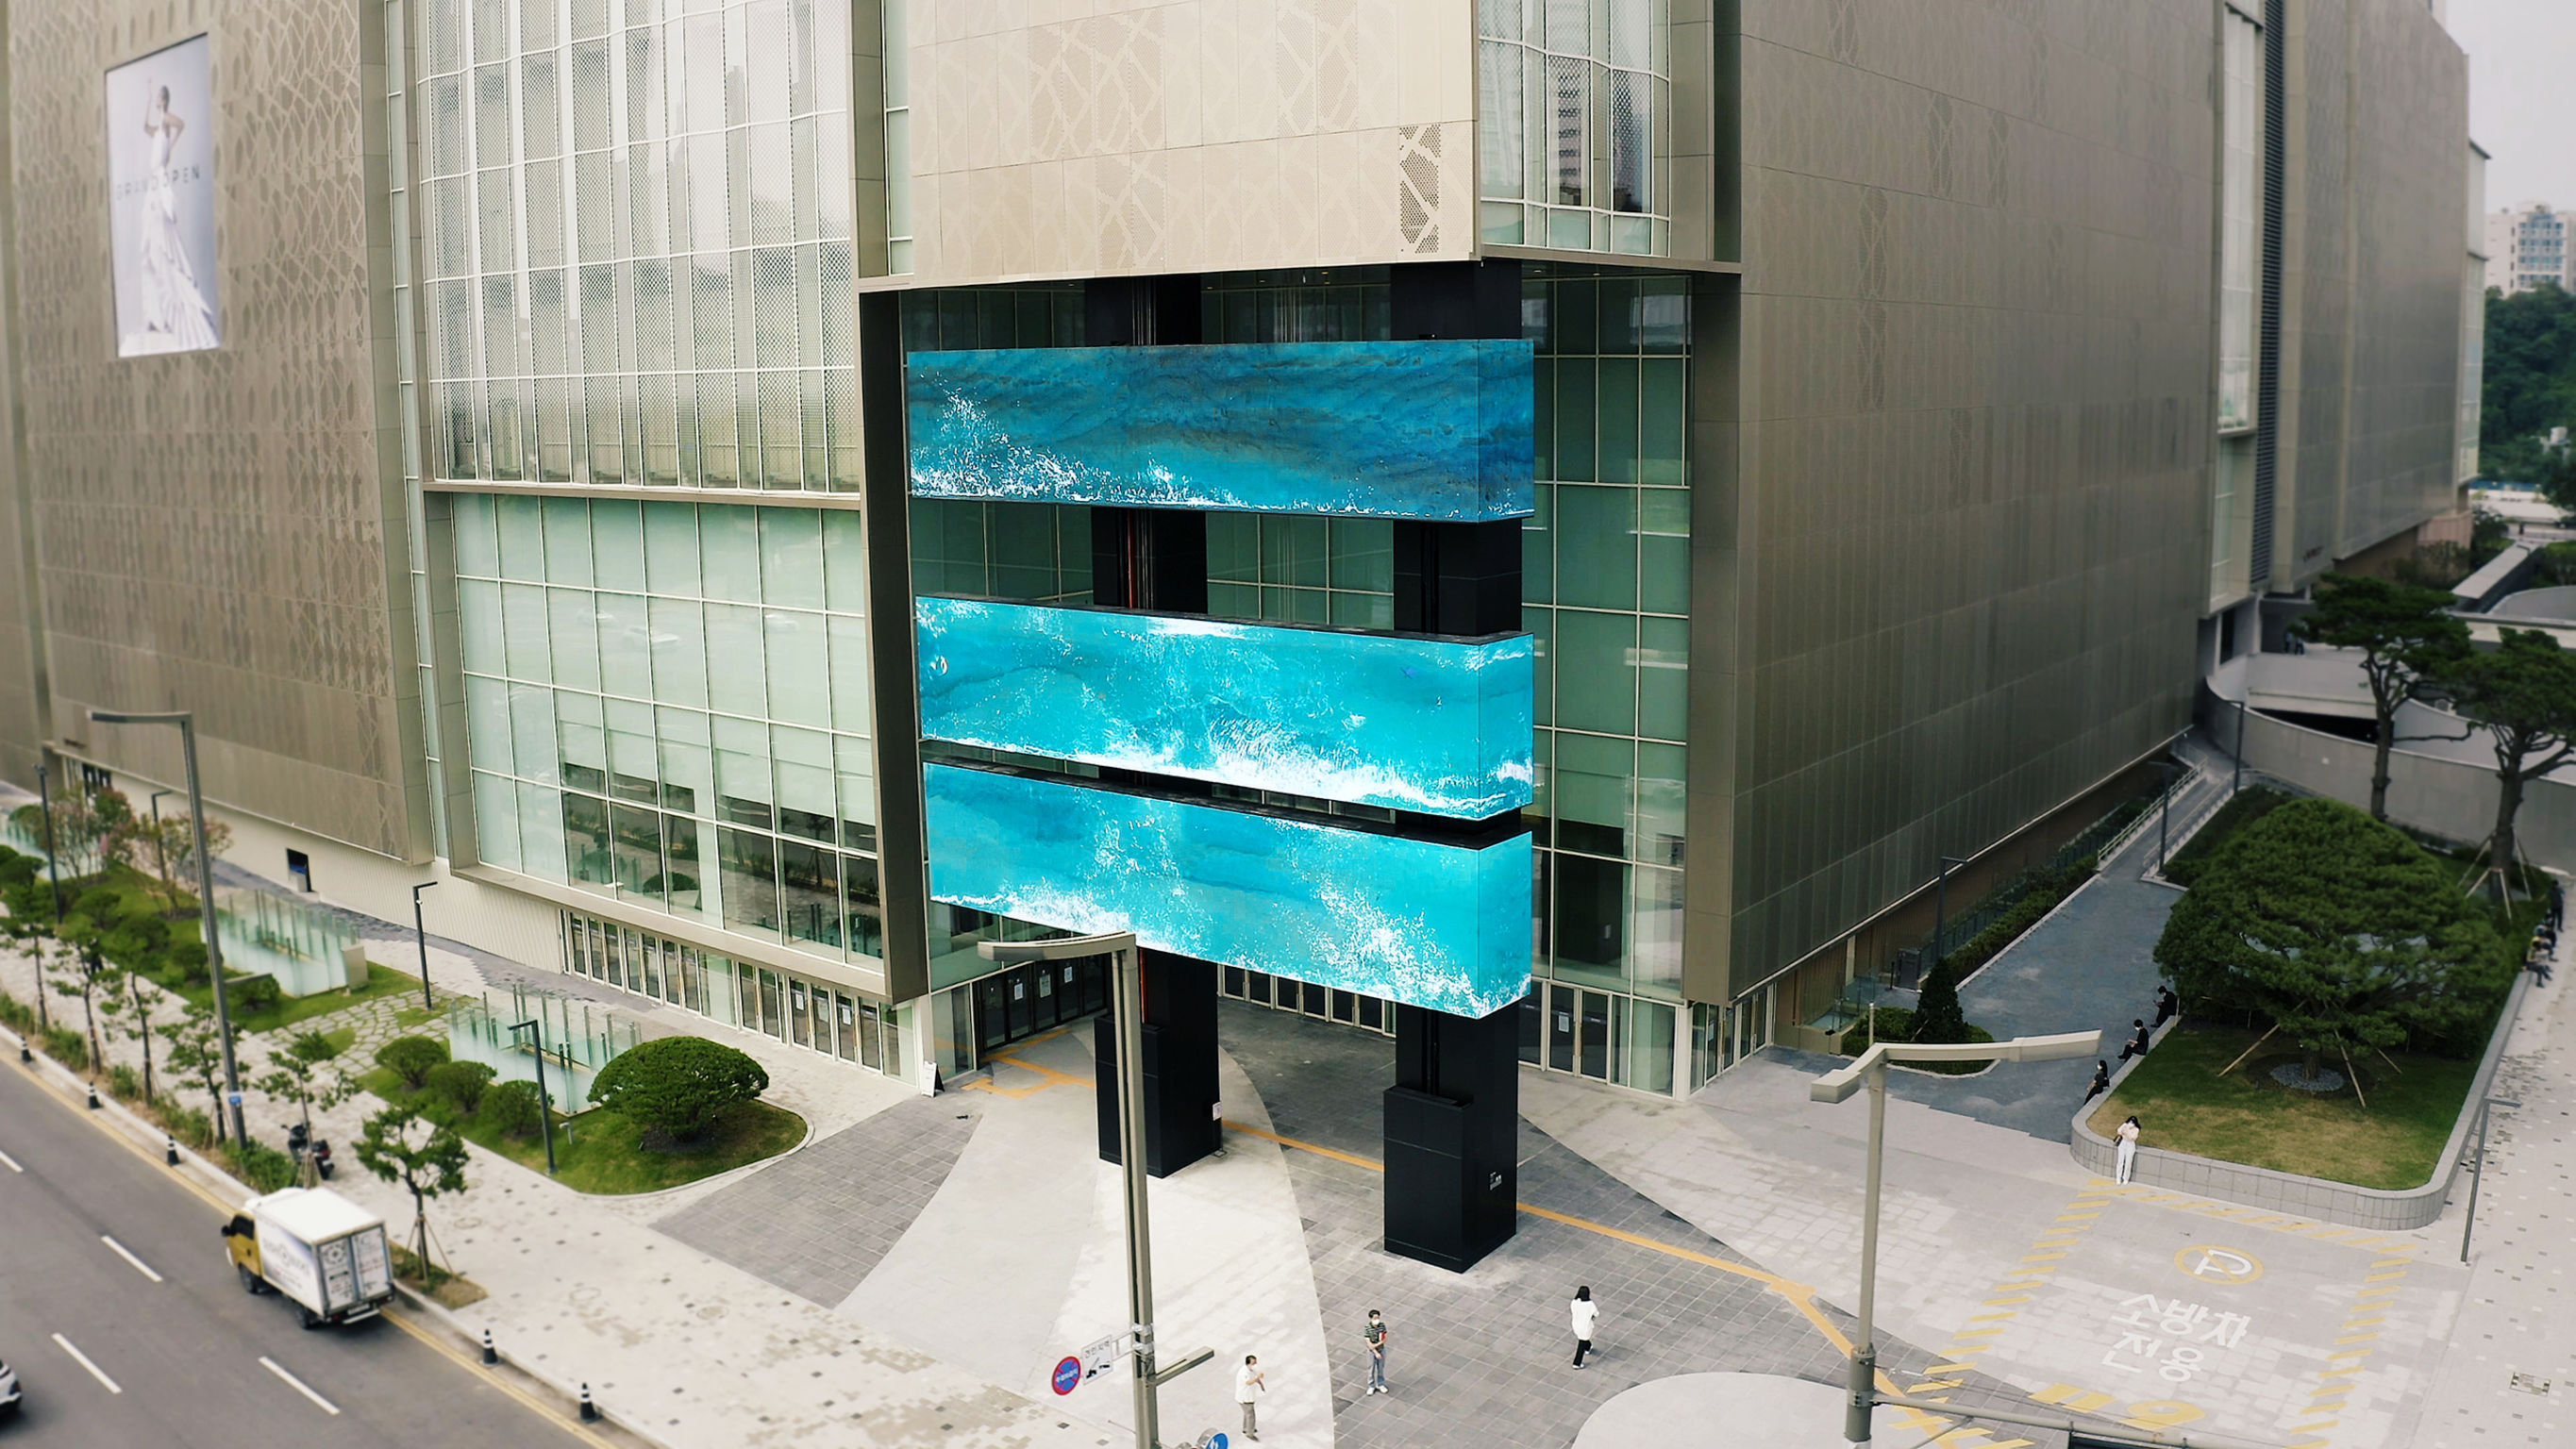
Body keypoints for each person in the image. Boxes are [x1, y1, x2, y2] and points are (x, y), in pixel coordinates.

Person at [1233, 1354, 1265, 1441]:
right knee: (1251, 1415)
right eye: (1253, 1363)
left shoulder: (1252, 1369)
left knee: (1247, 1414)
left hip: (1249, 1396)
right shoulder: (1243, 1372)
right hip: (1244, 1398)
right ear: (1248, 1364)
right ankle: (1250, 1433)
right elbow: (1248, 1382)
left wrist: (1261, 1384)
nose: (1255, 1365)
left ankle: (1246, 1428)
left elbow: (1255, 1377)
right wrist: (1257, 1378)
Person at [1570, 1286, 1598, 1368]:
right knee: (1582, 1342)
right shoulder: (1590, 1304)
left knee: (1583, 1338)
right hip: (1585, 1326)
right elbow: (1596, 1313)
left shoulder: (1574, 1302)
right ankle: (1577, 1363)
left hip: (1576, 1325)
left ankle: (1588, 1347)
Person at [1361, 1308, 1388, 1395]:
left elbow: (1385, 1338)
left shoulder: (1382, 1325)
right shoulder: (1368, 1328)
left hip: (1381, 1349)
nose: (1377, 1320)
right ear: (1371, 1318)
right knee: (1371, 1369)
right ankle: (1371, 1386)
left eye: (1378, 1318)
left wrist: (1377, 1345)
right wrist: (1375, 1352)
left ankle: (1381, 1384)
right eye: (1375, 1318)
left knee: (1380, 1368)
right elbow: (1368, 1342)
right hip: (1371, 1352)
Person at [2115, 1115, 2142, 1185]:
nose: (2131, 1123)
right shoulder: (2125, 1125)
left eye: (2132, 1122)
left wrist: (2127, 1132)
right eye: (2130, 1121)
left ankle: (2126, 1178)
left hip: (2130, 1145)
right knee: (2120, 1161)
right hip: (2123, 1143)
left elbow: (2132, 1137)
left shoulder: (2136, 1129)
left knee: (2128, 1162)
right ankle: (2118, 1177)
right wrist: (2125, 1127)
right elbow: (2119, 1131)